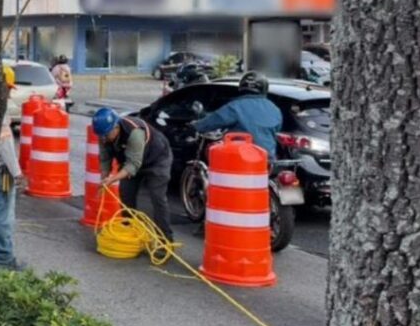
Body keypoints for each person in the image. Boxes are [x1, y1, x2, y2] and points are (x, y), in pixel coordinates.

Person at [94, 107, 174, 241]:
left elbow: (133, 165)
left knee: (157, 197)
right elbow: (105, 159)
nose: (104, 139)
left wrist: (112, 179)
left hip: (156, 159)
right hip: (131, 160)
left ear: (116, 127)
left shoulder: (135, 132)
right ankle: (130, 232)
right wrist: (104, 178)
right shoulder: (104, 134)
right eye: (101, 136)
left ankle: (165, 239)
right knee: (126, 194)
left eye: (106, 135)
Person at [193, 71, 282, 159]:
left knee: (215, 158)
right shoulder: (275, 109)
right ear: (264, 88)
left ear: (242, 87)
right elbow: (278, 128)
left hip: (240, 159)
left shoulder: (235, 106)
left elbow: (212, 121)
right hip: (266, 159)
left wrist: (194, 127)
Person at [0, 64, 27, 270]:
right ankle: (4, 260)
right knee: (4, 217)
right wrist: (18, 173)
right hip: (1, 172)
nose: (8, 93)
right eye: (7, 88)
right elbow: (5, 146)